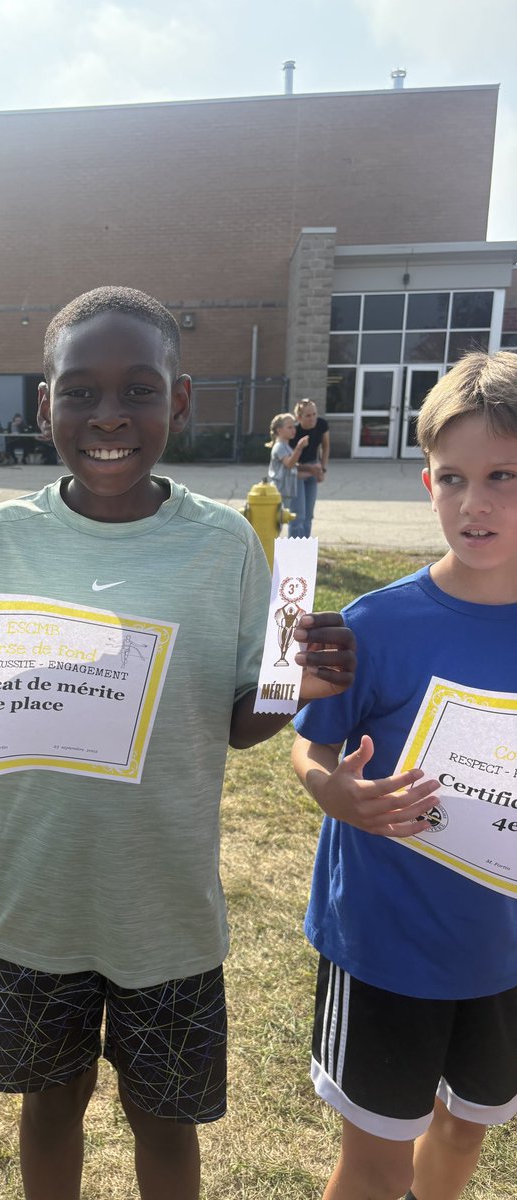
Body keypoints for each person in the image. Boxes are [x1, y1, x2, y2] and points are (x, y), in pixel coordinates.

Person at [0, 286, 355, 1200]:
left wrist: (298, 681)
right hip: (38, 900)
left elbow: (244, 720)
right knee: (49, 1107)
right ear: (46, 404)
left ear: (183, 399)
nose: (109, 416)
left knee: (164, 1122)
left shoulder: (227, 546)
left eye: (140, 391)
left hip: (165, 910)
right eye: (79, 393)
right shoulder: (2, 537)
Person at [291, 350, 517, 1200]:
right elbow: (309, 747)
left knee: (464, 1135)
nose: (476, 502)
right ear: (427, 485)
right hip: (389, 949)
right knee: (378, 1158)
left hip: (504, 951)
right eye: (453, 478)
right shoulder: (376, 625)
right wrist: (335, 793)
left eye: (503, 474)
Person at [288, 398, 330, 538]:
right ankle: (293, 551)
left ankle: (306, 550)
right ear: (299, 418)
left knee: (308, 515)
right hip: (297, 472)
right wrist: (310, 469)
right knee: (297, 515)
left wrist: (322, 469)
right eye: (308, 416)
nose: (312, 419)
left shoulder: (321, 425)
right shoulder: (294, 432)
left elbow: (325, 446)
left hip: (313, 467)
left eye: (314, 414)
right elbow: (290, 463)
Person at [266, 411, 310, 516]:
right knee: (277, 520)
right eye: (289, 427)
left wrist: (310, 473)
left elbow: (292, 469)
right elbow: (289, 464)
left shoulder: (287, 447)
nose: (293, 430)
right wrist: (299, 447)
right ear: (279, 430)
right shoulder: (279, 447)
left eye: (294, 427)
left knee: (281, 520)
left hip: (287, 491)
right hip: (280, 490)